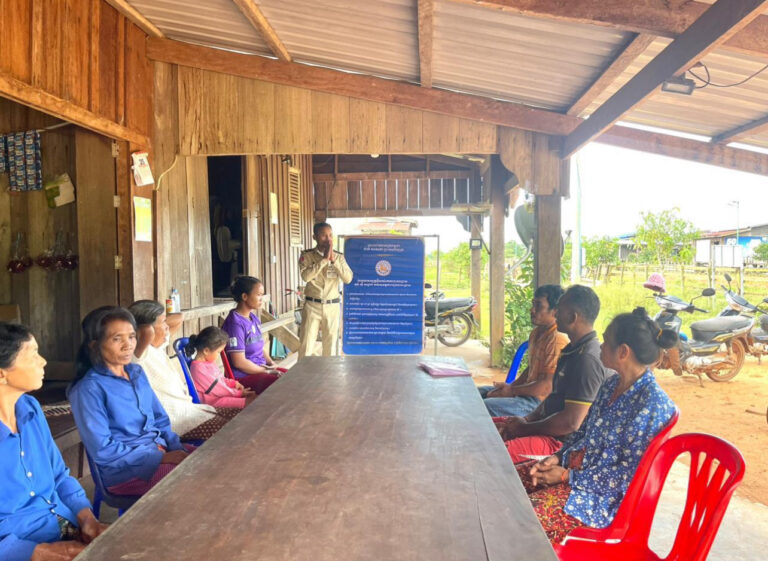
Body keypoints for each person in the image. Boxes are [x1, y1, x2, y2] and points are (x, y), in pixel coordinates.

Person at [516, 308, 678, 544]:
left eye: (606, 341)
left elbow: (628, 476)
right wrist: (557, 458)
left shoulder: (652, 404)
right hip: (575, 475)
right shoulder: (611, 384)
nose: (601, 346)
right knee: (509, 482)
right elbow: (583, 434)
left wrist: (567, 477)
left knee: (523, 518)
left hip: (602, 500)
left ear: (623, 352)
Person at [0, 322, 107, 561]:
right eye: (32, 355)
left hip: (59, 523)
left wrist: (87, 519)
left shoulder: (29, 408)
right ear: (1, 373)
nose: (43, 361)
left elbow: (59, 475)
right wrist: (38, 552)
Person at [68, 307, 190, 496]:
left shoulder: (136, 372)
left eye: (132, 337)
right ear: (94, 345)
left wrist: (177, 448)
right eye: (117, 339)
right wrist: (160, 458)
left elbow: (160, 419)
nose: (128, 345)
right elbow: (103, 449)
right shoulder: (89, 388)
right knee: (196, 481)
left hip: (160, 450)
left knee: (214, 460)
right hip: (127, 472)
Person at [498, 285, 609, 463]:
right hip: (545, 427)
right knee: (490, 427)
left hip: (561, 444)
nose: (555, 313)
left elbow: (571, 423)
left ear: (572, 317)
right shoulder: (572, 350)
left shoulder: (586, 359)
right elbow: (553, 397)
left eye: (560, 309)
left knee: (495, 453)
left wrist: (525, 429)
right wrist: (526, 419)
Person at [129, 300, 239, 441]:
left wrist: (160, 320)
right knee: (233, 431)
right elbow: (146, 331)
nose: (167, 327)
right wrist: (137, 323)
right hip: (177, 420)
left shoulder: (157, 346)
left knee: (241, 416)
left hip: (191, 409)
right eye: (163, 323)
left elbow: (179, 318)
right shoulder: (139, 354)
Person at [478, 285, 568, 417]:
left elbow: (546, 387)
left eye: (539, 306)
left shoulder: (556, 339)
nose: (532, 309)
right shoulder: (536, 333)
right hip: (527, 394)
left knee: (485, 407)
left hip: (540, 403)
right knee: (476, 394)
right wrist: (509, 387)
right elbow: (530, 369)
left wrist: (511, 391)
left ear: (555, 311)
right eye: (533, 304)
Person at [298, 222, 353, 358]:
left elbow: (348, 279)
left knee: (331, 346)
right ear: (314, 237)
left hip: (332, 306)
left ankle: (329, 372)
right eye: (323, 236)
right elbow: (306, 277)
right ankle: (303, 372)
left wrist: (333, 261)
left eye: (330, 235)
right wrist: (324, 260)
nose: (328, 239)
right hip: (312, 305)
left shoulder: (339, 257)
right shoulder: (307, 256)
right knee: (306, 345)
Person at [221, 276, 281, 394]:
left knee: (292, 376)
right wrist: (265, 371)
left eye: (262, 295)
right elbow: (239, 362)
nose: (261, 299)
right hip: (243, 376)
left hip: (260, 369)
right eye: (258, 294)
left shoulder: (253, 318)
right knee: (283, 383)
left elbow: (259, 347)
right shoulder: (235, 324)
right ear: (245, 296)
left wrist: (271, 363)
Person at [187, 327, 256, 409]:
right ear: (206, 351)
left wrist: (234, 383)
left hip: (220, 396)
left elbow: (221, 379)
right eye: (218, 352)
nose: (218, 355)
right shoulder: (198, 369)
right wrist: (239, 393)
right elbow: (218, 388)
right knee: (250, 403)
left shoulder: (209, 363)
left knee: (253, 398)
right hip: (211, 402)